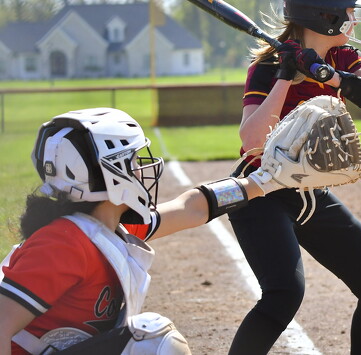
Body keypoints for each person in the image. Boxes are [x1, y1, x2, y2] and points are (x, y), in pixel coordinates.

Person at [0, 107, 279, 355]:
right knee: (152, 339)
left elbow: (192, 208)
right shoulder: (64, 243)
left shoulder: (107, 229)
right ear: (110, 172)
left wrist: (266, 181)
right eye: (132, 160)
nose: (141, 168)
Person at [227, 0, 361, 355]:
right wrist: (286, 75)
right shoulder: (269, 65)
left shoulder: (345, 57)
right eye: (350, 11)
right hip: (261, 192)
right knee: (284, 295)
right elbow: (252, 141)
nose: (355, 19)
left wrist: (331, 75)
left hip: (309, 194)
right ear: (327, 16)